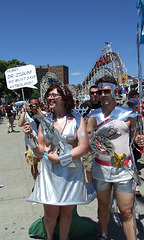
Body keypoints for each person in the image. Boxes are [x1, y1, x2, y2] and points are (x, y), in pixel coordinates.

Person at [22, 82, 95, 240]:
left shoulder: (77, 119)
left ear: (64, 97)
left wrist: (62, 158)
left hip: (72, 172)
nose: (50, 98)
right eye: (48, 95)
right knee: (50, 214)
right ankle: (49, 237)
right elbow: (39, 152)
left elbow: (84, 146)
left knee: (67, 213)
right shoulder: (45, 122)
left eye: (54, 94)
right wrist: (31, 138)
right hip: (50, 173)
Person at [87, 76, 144, 240]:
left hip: (123, 169)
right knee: (103, 205)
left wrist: (140, 140)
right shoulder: (94, 115)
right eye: (100, 92)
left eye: (107, 91)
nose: (103, 95)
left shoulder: (128, 114)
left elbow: (135, 136)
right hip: (101, 169)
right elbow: (86, 138)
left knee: (126, 210)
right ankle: (104, 235)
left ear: (115, 91)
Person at [80, 85, 101, 184]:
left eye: (97, 92)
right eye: (92, 93)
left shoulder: (103, 105)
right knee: (88, 164)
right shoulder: (85, 106)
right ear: (89, 94)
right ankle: (91, 185)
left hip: (101, 139)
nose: (95, 95)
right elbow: (80, 123)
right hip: (88, 139)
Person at [18, 98, 42, 180]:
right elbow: (20, 124)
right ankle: (36, 182)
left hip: (42, 143)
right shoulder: (27, 115)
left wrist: (38, 112)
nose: (33, 106)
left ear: (38, 104)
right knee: (34, 165)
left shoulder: (42, 113)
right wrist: (24, 111)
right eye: (31, 104)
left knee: (45, 165)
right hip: (30, 143)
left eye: (35, 104)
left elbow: (47, 122)